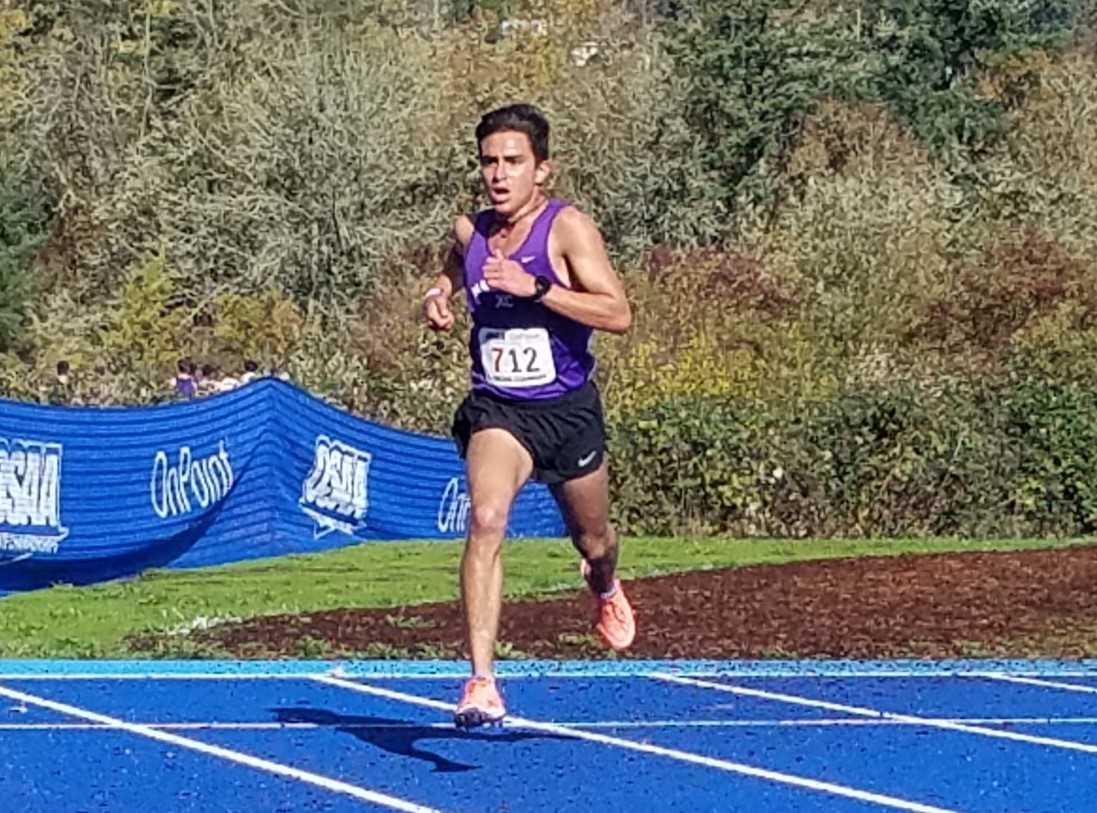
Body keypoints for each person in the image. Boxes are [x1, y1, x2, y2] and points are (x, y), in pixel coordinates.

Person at [422, 103, 635, 730]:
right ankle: (481, 682)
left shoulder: (567, 229)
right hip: (499, 410)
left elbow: (618, 313)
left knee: (594, 541)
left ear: (542, 169)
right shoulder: (472, 229)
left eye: (513, 162)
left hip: (566, 413)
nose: (499, 174)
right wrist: (438, 293)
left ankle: (603, 585)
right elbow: (452, 260)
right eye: (489, 162)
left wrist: (536, 288)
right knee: (486, 518)